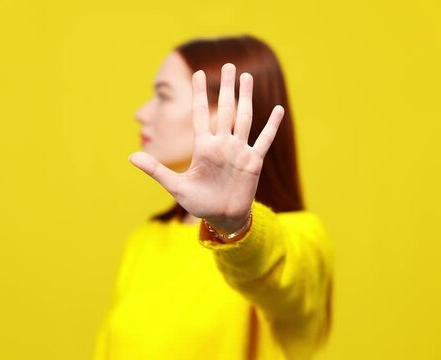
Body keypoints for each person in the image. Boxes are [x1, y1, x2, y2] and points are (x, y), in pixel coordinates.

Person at [92, 34, 334, 360]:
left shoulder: (303, 240)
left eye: (163, 96)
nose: (141, 112)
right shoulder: (146, 241)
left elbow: (279, 273)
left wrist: (235, 226)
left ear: (224, 114)